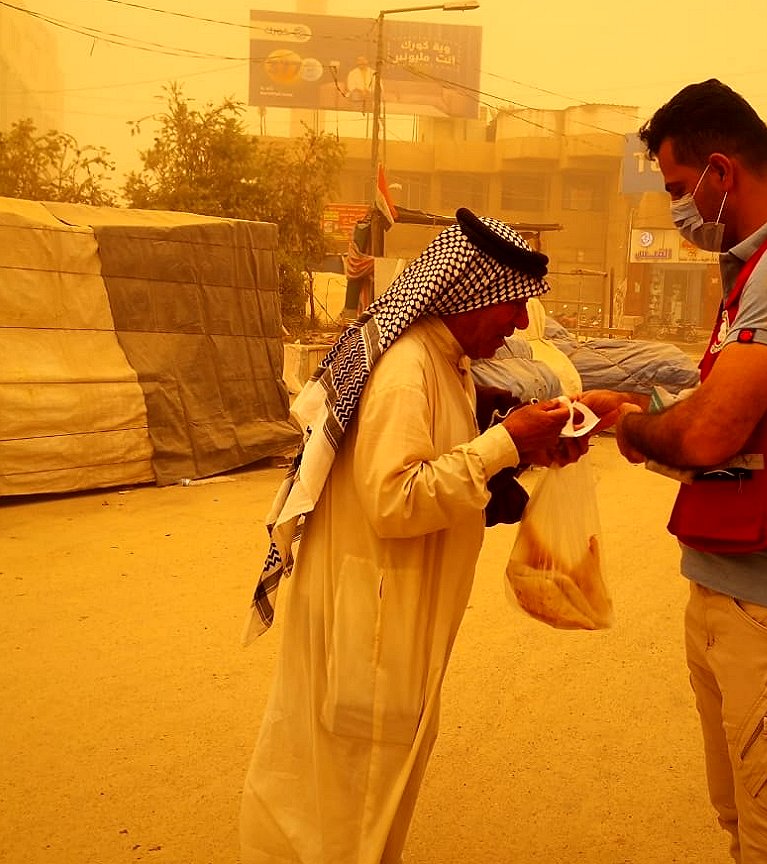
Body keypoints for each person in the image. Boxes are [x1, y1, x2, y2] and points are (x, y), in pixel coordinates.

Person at [580, 80, 767, 864]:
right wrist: (638, 407)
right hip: (735, 594)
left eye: (680, 190)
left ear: (722, 172)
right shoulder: (758, 271)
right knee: (743, 829)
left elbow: (712, 432)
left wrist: (632, 425)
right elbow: (725, 409)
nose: (678, 211)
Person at [239, 209, 582, 864]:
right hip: (371, 629)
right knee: (353, 800)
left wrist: (509, 460)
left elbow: (439, 465)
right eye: (511, 306)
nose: (516, 325)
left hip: (383, 618)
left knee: (359, 793)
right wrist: (503, 445)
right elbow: (396, 500)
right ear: (469, 291)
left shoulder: (443, 360)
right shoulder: (408, 369)